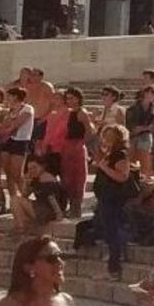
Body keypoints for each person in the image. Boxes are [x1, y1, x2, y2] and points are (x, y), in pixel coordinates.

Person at [92, 124, 133, 282]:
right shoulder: (110, 154)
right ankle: (113, 260)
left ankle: (114, 269)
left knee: (112, 231)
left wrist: (103, 165)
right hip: (105, 197)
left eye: (110, 135)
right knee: (107, 230)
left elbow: (122, 176)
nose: (106, 138)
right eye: (105, 135)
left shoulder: (120, 155)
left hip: (113, 199)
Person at [58, 88, 93, 217]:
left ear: (78, 98)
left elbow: (89, 131)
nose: (69, 101)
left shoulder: (81, 113)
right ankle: (69, 206)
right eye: (67, 98)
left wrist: (82, 144)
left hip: (77, 145)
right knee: (67, 178)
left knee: (78, 178)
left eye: (72, 98)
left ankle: (76, 208)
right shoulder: (66, 113)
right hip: (66, 146)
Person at [11, 155, 67, 236]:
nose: (32, 170)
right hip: (41, 207)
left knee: (15, 200)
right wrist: (26, 182)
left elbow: (52, 198)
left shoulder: (46, 178)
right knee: (18, 205)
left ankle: (21, 229)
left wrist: (59, 214)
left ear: (42, 167)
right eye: (29, 168)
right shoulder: (36, 178)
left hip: (49, 210)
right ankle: (23, 228)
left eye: (34, 167)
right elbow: (25, 195)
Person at [0, 87, 36, 202]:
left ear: (15, 96)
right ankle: (13, 198)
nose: (7, 98)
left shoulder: (27, 109)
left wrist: (6, 128)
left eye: (9, 96)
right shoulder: (10, 110)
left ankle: (25, 196)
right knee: (8, 171)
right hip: (8, 141)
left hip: (21, 140)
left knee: (16, 172)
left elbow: (16, 125)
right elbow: (3, 127)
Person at [125, 85, 154, 179]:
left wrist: (143, 128)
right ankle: (130, 179)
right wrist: (143, 128)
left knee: (145, 157)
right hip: (132, 135)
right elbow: (131, 125)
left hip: (145, 135)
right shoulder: (134, 107)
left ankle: (146, 178)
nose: (151, 95)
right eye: (149, 92)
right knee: (130, 158)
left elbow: (153, 126)